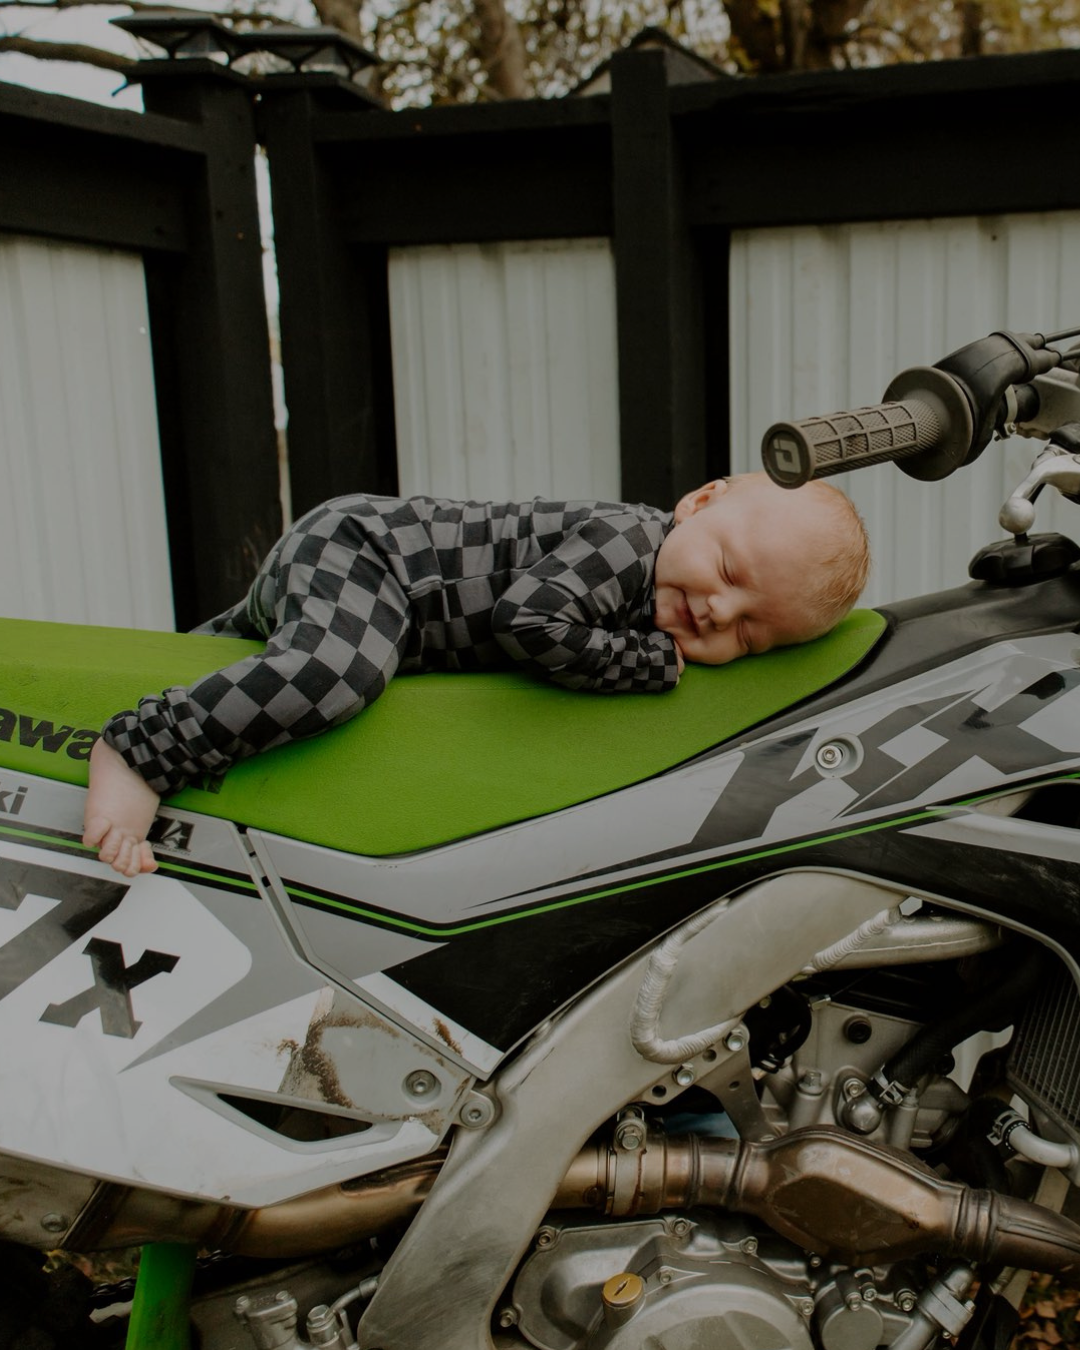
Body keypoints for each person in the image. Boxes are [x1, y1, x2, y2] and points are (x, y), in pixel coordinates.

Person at [83, 472, 870, 878]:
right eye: (728, 571)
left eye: (751, 634)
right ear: (697, 504)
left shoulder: (655, 588)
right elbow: (529, 621)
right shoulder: (630, 542)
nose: (718, 612)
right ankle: (141, 749)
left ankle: (159, 695)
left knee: (253, 654)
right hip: (369, 552)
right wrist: (648, 663)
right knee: (335, 670)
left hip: (378, 590)